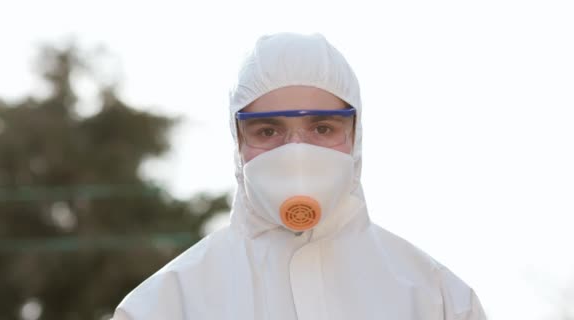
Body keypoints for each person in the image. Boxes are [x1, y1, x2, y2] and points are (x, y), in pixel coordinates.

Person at [113, 32, 486, 320]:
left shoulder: (438, 300)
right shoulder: (163, 306)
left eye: (322, 129)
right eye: (268, 131)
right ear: (238, 142)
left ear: (355, 137)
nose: (296, 153)